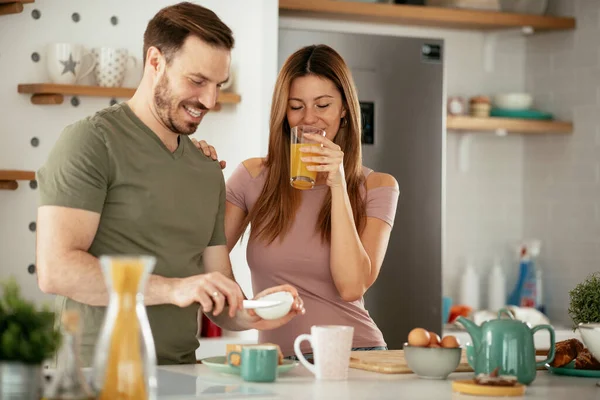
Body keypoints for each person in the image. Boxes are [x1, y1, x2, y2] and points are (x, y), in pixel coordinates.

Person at [35, 2, 304, 367]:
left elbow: (216, 286)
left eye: (217, 85)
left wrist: (255, 311)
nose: (209, 100)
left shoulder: (207, 169)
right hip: (92, 376)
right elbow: (56, 270)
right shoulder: (91, 141)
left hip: (182, 373)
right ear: (155, 62)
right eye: (197, 81)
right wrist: (174, 289)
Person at [194, 44, 399, 358]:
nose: (309, 118)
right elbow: (205, 261)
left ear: (344, 108)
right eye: (296, 106)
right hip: (276, 363)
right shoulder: (252, 177)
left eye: (323, 105)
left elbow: (352, 286)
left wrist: (338, 184)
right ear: (283, 112)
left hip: (356, 356)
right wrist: (190, 177)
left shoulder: (377, 186)